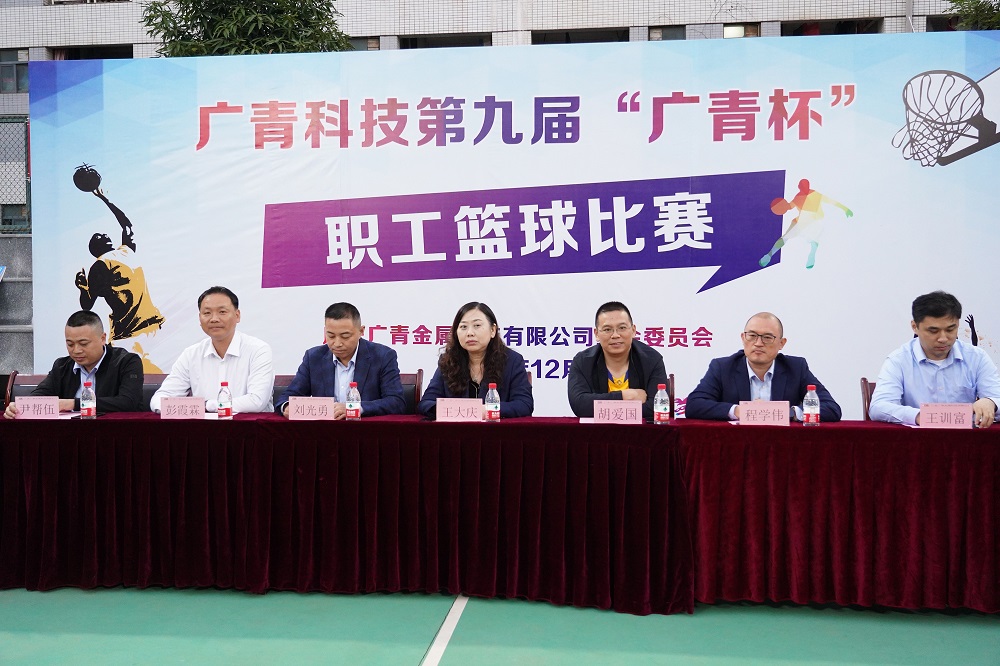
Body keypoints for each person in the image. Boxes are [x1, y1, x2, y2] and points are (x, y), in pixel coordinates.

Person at [869, 291, 1000, 427]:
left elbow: (996, 397)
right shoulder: (899, 360)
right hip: (917, 437)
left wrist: (991, 402)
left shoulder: (976, 357)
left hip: (966, 438)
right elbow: (879, 407)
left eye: (950, 330)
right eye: (933, 331)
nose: (943, 338)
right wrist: (920, 416)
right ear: (915, 327)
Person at [74, 185, 166, 373]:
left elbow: (126, 225)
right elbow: (87, 306)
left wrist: (83, 288)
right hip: (142, 330)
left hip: (133, 332)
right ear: (97, 248)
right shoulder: (105, 262)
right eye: (99, 236)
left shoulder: (123, 252)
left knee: (128, 378)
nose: (103, 234)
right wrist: (106, 200)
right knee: (147, 377)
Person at [686, 312, 841, 422]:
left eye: (767, 337)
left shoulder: (796, 368)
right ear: (743, 338)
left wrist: (789, 413)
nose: (758, 343)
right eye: (752, 335)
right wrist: (740, 411)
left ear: (781, 343)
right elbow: (694, 405)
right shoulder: (723, 367)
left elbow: (831, 408)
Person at [150, 286, 273, 414]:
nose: (214, 319)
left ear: (237, 316)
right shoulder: (191, 354)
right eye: (207, 313)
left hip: (248, 425)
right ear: (200, 318)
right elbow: (159, 399)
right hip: (203, 426)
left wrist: (206, 406)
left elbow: (256, 401)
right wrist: (190, 408)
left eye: (222, 312)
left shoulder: (258, 350)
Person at [4, 310, 143, 419]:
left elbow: (128, 402)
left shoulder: (127, 362)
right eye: (70, 344)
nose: (76, 350)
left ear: (102, 339)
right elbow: (41, 394)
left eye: (83, 344)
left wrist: (72, 404)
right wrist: (20, 406)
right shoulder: (62, 366)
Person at [277, 302, 406, 418]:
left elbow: (396, 402)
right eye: (331, 336)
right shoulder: (314, 357)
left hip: (365, 431)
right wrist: (287, 406)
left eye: (345, 336)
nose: (337, 343)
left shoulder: (383, 356)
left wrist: (354, 409)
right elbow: (288, 396)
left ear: (361, 331)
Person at [418, 302, 533, 418]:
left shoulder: (512, 361)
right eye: (463, 327)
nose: (470, 333)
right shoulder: (448, 361)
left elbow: (524, 404)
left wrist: (487, 410)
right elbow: (426, 402)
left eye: (477, 325)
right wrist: (450, 410)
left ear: (493, 330)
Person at [567, 301, 667, 419]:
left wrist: (603, 407)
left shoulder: (651, 359)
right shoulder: (583, 362)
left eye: (622, 328)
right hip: (595, 430)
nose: (615, 335)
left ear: (633, 330)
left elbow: (656, 408)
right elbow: (580, 405)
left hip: (639, 430)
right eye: (607, 329)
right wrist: (624, 396)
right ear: (596, 334)